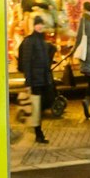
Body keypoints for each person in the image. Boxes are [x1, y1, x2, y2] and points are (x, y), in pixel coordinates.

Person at [17, 16, 57, 144]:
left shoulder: (43, 41)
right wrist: (28, 82)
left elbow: (46, 61)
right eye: (38, 24)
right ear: (34, 26)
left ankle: (36, 126)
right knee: (36, 106)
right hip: (35, 80)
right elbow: (27, 62)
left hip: (44, 79)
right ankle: (38, 133)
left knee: (46, 102)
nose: (40, 26)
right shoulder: (30, 41)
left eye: (41, 24)